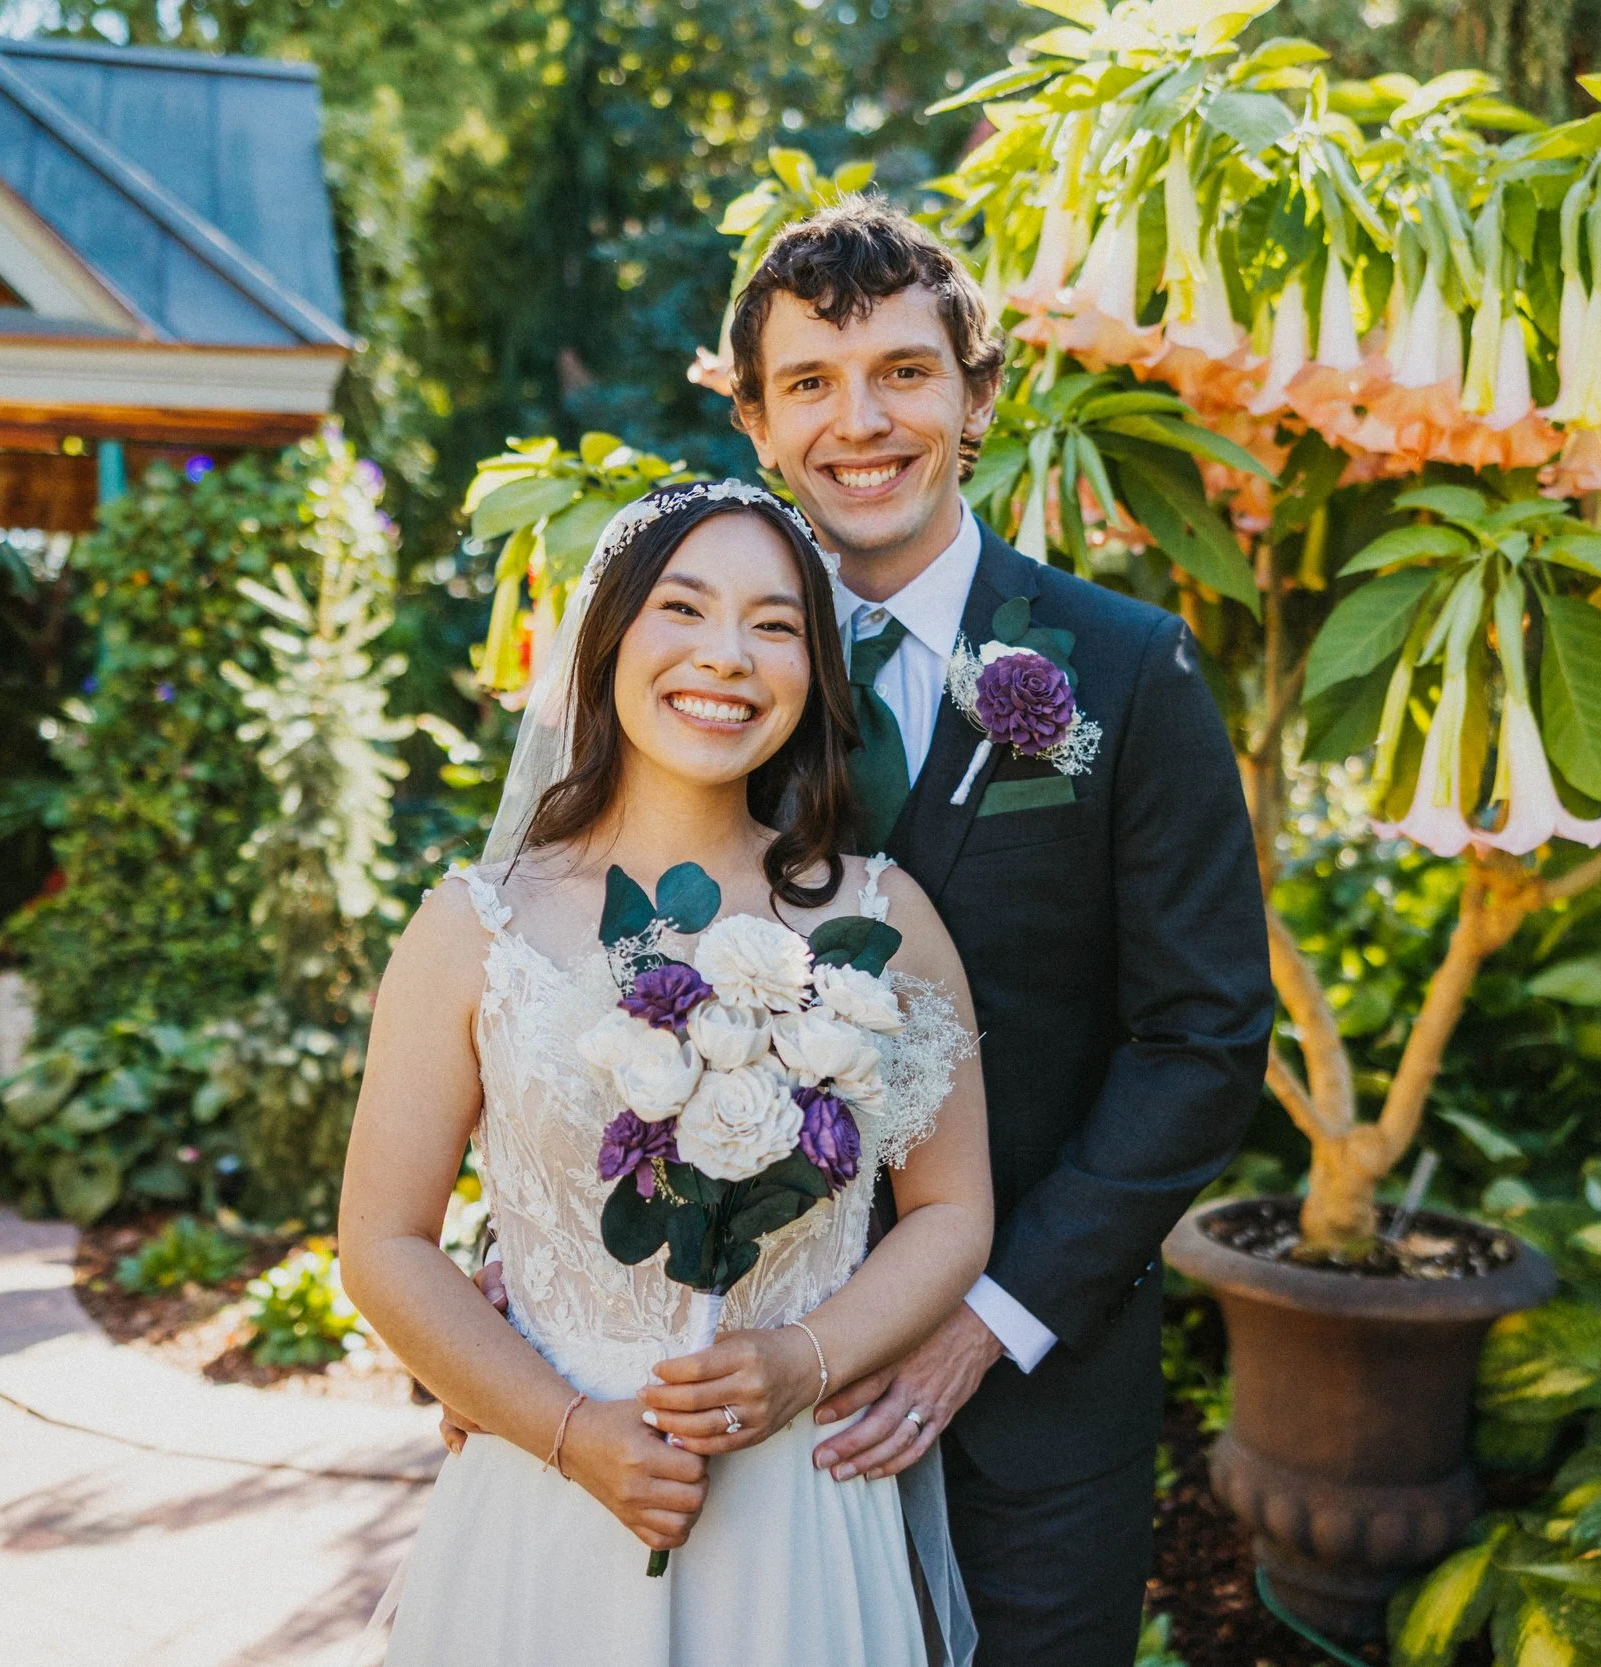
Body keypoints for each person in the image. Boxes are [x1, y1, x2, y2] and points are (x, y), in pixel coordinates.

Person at [458, 202, 1274, 1663]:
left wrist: (986, 1315)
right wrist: (529, 1248)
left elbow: (1203, 1036)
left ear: (977, 395)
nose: (861, 421)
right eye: (811, 383)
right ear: (757, 421)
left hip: (1029, 1387)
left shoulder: (1125, 670)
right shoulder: (703, 669)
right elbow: (561, 957)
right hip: (709, 1383)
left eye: (903, 371)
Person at [337, 481, 997, 1666]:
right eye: (682, 608)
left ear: (814, 671)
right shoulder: (474, 926)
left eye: (774, 624)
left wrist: (806, 1358)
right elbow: (382, 1241)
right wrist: (569, 1430)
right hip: (548, 1494)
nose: (726, 655)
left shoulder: (884, 916)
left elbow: (952, 1208)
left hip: (796, 1503)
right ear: (607, 640)